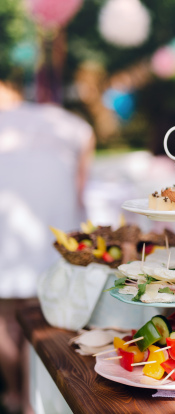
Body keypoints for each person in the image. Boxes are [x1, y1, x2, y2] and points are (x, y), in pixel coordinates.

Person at [0, 76, 94, 413]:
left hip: (8, 234)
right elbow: (82, 191)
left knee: (4, 318)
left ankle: (15, 393)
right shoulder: (74, 126)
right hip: (50, 234)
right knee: (40, 320)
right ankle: (31, 398)